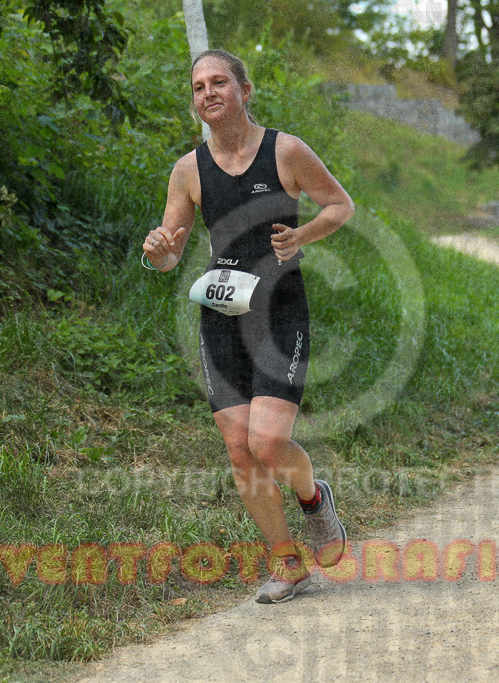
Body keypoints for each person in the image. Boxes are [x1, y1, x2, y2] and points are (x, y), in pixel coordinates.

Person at [141, 50, 354, 604]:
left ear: (244, 89)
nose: (208, 92)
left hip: (280, 311)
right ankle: (288, 565)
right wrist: (159, 251)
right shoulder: (189, 169)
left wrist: (301, 237)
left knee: (267, 441)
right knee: (239, 450)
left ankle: (314, 500)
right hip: (221, 315)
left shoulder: (285, 150)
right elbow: (170, 250)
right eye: (198, 87)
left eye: (218, 82)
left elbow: (340, 206)